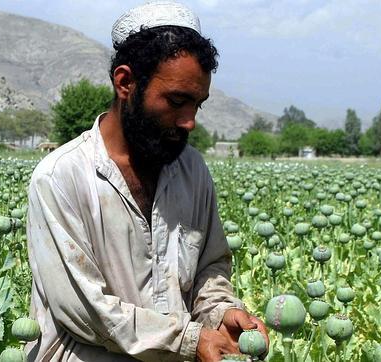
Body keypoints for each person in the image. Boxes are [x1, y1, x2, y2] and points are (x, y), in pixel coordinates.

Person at [26, 1, 268, 361]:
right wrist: (188, 340)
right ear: (125, 83)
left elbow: (210, 267)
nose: (189, 122)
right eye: (176, 101)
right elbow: (85, 310)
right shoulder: (61, 177)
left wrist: (220, 311)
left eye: (197, 104)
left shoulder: (192, 170)